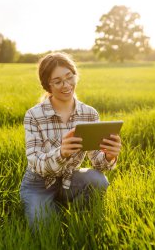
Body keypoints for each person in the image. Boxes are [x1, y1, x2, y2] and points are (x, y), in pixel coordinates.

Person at [19, 52, 122, 229]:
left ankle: (77, 217)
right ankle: (52, 208)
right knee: (45, 229)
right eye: (58, 81)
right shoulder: (34, 115)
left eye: (69, 77)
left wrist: (109, 156)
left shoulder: (89, 113)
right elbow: (35, 162)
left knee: (98, 180)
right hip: (39, 184)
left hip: (70, 179)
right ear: (47, 85)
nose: (66, 85)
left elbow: (98, 162)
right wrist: (61, 153)